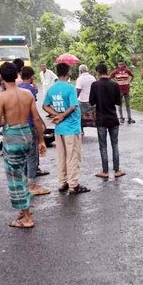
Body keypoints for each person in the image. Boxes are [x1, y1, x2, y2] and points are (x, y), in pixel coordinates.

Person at [0, 62, 47, 228]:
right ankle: (23, 209)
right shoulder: (27, 94)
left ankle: (26, 217)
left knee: (15, 177)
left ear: (2, 77)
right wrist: (41, 140)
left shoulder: (1, 97)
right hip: (27, 133)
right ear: (17, 75)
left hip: (13, 137)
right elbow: (37, 119)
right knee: (22, 172)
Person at [43, 63, 90, 194]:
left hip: (59, 129)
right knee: (73, 156)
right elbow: (73, 106)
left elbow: (45, 105)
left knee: (62, 156)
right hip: (71, 128)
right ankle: (73, 185)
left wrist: (56, 115)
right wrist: (62, 115)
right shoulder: (70, 88)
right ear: (68, 72)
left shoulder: (52, 89)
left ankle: (63, 182)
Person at [18, 66, 51, 194]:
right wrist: (41, 125)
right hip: (30, 124)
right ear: (31, 76)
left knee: (24, 155)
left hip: (18, 125)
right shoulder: (31, 89)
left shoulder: (17, 88)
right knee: (32, 155)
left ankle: (25, 181)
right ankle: (31, 184)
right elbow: (34, 111)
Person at [89, 63, 125, 179]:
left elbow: (91, 102)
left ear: (98, 72)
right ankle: (117, 170)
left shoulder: (95, 85)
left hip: (101, 119)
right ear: (107, 71)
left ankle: (105, 171)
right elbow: (119, 102)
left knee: (103, 145)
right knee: (115, 144)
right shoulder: (114, 85)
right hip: (113, 119)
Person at [76, 64, 97, 129]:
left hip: (83, 101)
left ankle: (81, 130)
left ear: (80, 71)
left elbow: (78, 91)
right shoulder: (92, 77)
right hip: (92, 101)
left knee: (79, 116)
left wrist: (74, 99)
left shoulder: (80, 79)